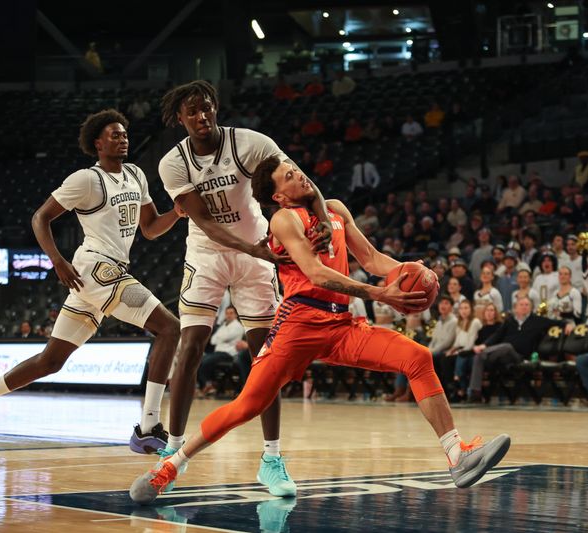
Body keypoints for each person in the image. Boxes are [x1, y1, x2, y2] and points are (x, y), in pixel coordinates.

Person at [129, 156, 511, 502]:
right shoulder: (284, 220)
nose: (298, 175)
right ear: (278, 197)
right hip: (298, 324)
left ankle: (457, 455)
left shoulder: (336, 210)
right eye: (288, 177)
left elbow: (373, 259)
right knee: (248, 405)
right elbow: (315, 273)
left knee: (418, 356)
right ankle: (173, 464)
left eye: (296, 169)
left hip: (342, 325)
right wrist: (380, 294)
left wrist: (408, 271)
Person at [0, 109, 185, 451]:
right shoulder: (86, 179)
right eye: (114, 135)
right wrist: (56, 260)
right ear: (97, 143)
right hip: (97, 271)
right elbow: (40, 217)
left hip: (102, 277)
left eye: (124, 134)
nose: (122, 138)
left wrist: (175, 214)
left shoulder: (136, 175)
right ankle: (148, 425)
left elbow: (149, 228)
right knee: (169, 327)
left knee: (51, 361)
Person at [156, 81, 333, 495]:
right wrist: (256, 249)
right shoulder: (172, 163)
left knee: (265, 358)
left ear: (216, 107)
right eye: (192, 112)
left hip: (257, 254)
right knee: (192, 346)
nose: (202, 117)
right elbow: (206, 222)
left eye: (207, 108)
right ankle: (173, 451)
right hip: (207, 254)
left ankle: (272, 459)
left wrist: (320, 218)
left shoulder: (250, 144)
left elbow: (301, 184)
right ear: (179, 119)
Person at [468, 297, 573, 402]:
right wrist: (485, 344)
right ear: (516, 308)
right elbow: (496, 336)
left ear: (531, 307)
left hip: (519, 356)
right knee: (479, 356)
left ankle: (477, 351)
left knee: (507, 346)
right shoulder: (509, 321)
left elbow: (557, 322)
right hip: (501, 355)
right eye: (521, 304)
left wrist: (568, 324)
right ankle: (475, 394)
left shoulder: (537, 320)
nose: (524, 307)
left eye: (527, 305)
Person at [196, 306, 245, 396]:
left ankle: (209, 384)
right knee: (200, 360)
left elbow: (222, 337)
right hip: (217, 352)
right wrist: (222, 338)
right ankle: (206, 385)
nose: (229, 315)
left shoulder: (238, 326)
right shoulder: (223, 326)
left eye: (231, 313)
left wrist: (221, 337)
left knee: (207, 361)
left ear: (235, 315)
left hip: (228, 354)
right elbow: (213, 340)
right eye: (227, 313)